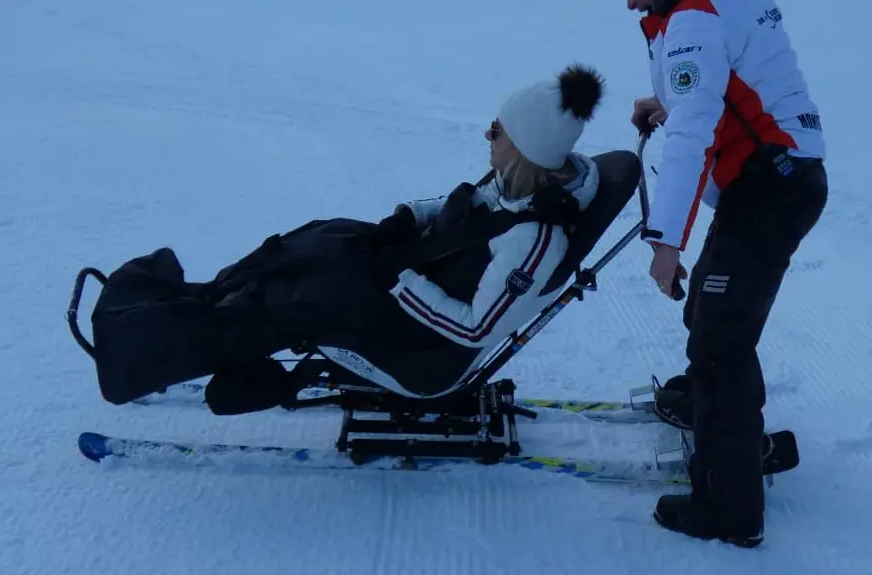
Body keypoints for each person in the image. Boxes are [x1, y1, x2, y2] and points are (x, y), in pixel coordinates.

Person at [78, 64, 608, 412]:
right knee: (318, 240)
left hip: (424, 353)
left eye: (497, 130)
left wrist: (397, 281)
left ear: (524, 150)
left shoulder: (535, 244)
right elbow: (470, 207)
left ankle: (145, 352)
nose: (486, 135)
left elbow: (473, 331)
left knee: (300, 300)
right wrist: (409, 217)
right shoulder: (518, 185)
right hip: (413, 284)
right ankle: (202, 297)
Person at [607, 0, 830, 548]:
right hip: (776, 175)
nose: (627, 3)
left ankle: (729, 510)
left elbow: (696, 134)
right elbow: (722, 91)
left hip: (772, 185)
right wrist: (670, 103)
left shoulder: (695, 17)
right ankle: (710, 412)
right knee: (708, 310)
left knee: (720, 341)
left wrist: (666, 242)